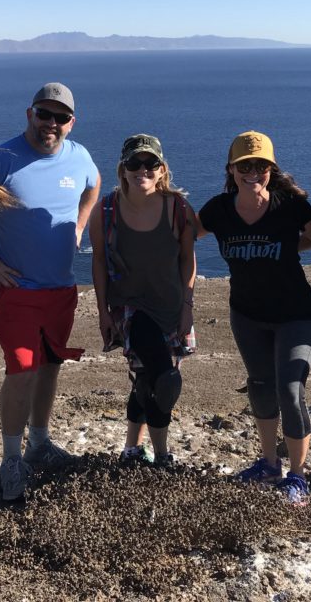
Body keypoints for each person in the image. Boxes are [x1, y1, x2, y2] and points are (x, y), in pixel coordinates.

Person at [0, 82, 101, 501]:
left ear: (72, 122)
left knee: (50, 366)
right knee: (22, 370)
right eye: (44, 114)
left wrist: (81, 224)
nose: (52, 123)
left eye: (61, 117)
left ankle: (39, 443)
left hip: (61, 290)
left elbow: (94, 184)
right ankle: (11, 459)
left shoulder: (79, 156)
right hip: (15, 291)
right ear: (29, 113)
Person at [196, 131, 311, 504]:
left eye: (261, 166)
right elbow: (184, 236)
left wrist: (288, 249)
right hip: (246, 315)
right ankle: (269, 463)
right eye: (244, 166)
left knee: (291, 390)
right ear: (231, 169)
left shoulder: (291, 205)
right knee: (261, 386)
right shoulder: (218, 209)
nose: (253, 172)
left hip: (295, 313)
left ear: (271, 169)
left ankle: (298, 477)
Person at [90, 134, 196, 466]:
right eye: (134, 164)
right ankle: (163, 456)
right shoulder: (106, 210)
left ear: (162, 169)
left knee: (146, 379)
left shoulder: (177, 208)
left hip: (170, 307)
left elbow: (187, 259)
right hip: (130, 308)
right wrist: (103, 312)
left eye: (150, 164)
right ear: (123, 169)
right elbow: (97, 262)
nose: (142, 170)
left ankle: (131, 450)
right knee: (163, 378)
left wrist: (188, 308)